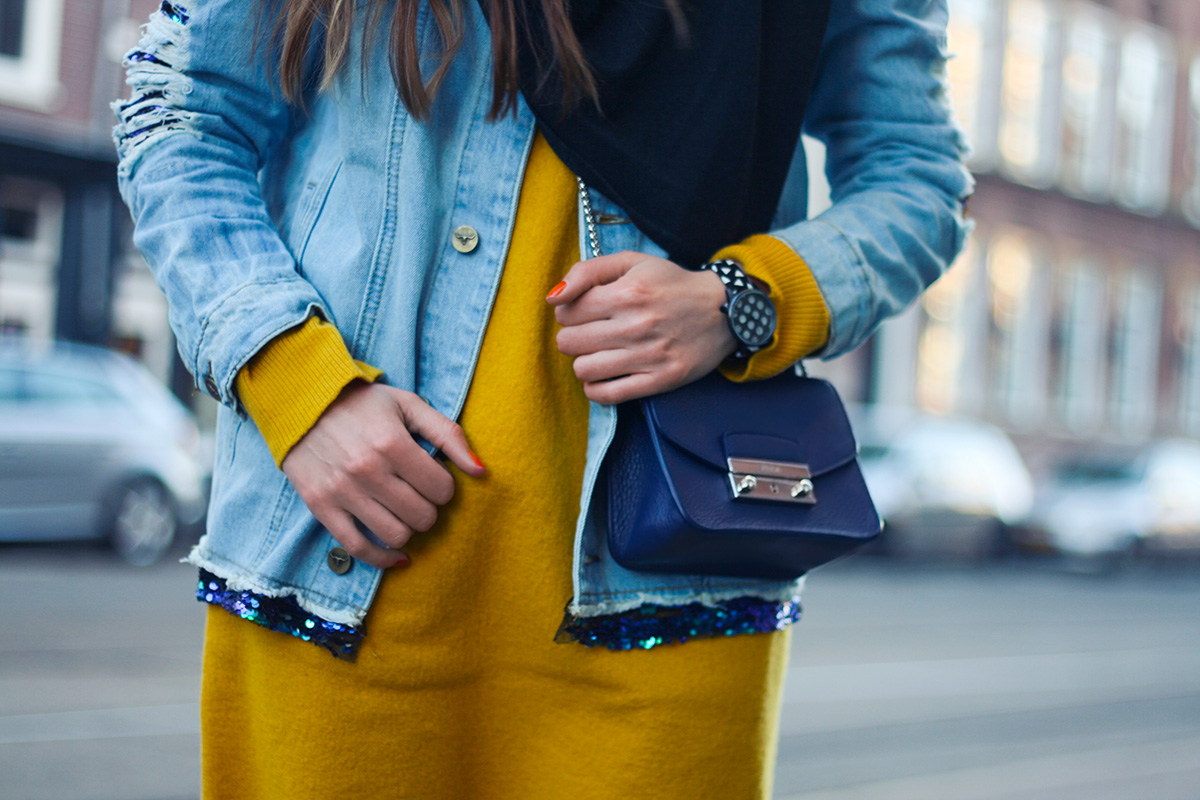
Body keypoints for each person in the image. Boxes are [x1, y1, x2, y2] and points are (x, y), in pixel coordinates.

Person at [114, 0, 971, 797]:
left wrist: (743, 301)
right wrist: (297, 384)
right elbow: (177, 110)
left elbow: (918, 178)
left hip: (669, 600)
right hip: (345, 558)